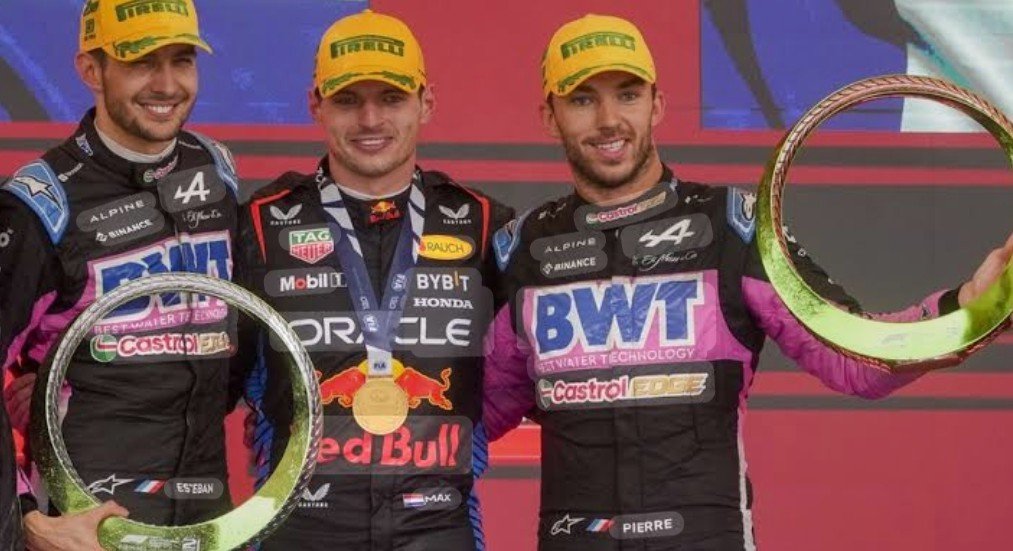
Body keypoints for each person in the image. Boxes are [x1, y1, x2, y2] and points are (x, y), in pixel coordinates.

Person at [483, 13, 1013, 550]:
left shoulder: (733, 226)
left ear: (657, 105)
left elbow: (855, 358)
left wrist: (972, 307)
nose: (608, 119)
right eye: (581, 100)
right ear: (549, 117)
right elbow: (476, 412)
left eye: (628, 94)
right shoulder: (520, 250)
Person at [237, 9, 513, 550]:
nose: (370, 119)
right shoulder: (260, 226)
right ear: (316, 104)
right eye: (347, 100)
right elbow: (204, 381)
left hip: (437, 529)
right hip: (298, 528)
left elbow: (531, 378)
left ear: (425, 103)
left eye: (391, 98)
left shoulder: (484, 225)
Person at [0, 1, 243, 549]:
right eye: (141, 63)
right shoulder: (41, 202)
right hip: (87, 520)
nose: (167, 84)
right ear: (91, 70)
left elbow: (243, 332)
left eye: (182, 60)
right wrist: (27, 520)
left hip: (207, 516)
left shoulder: (216, 169)